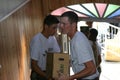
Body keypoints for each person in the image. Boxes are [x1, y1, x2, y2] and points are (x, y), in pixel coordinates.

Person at [59, 11, 99, 80]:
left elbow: (92, 69)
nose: (61, 26)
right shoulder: (74, 38)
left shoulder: (78, 40)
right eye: (60, 23)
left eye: (64, 24)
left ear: (73, 25)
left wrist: (70, 78)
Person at [30, 14, 60, 80]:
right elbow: (34, 65)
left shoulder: (53, 38)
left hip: (49, 72)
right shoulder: (37, 40)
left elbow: (58, 55)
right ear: (46, 26)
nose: (55, 31)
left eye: (56, 28)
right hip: (38, 74)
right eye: (54, 28)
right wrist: (47, 76)